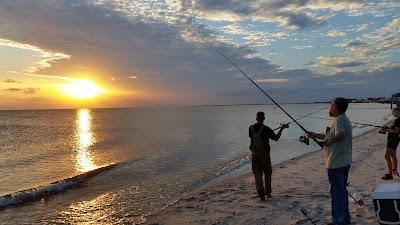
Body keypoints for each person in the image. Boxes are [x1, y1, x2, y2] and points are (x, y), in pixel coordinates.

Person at [307, 97, 352, 225]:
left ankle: (339, 221)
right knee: (341, 192)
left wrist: (332, 141)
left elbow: (340, 134)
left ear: (336, 107)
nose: (329, 107)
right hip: (343, 161)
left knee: (337, 194)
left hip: (336, 163)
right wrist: (314, 134)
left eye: (331, 105)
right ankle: (344, 219)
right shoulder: (342, 119)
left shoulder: (339, 120)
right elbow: (330, 136)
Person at [249, 111, 288, 201]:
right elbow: (276, 138)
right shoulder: (267, 129)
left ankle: (261, 193)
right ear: (264, 119)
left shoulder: (250, 128)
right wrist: (282, 128)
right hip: (265, 156)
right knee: (267, 174)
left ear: (256, 118)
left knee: (257, 176)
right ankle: (268, 193)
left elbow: (253, 138)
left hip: (255, 156)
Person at [380, 107, 400, 180]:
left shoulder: (398, 120)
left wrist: (386, 130)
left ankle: (393, 173)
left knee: (388, 156)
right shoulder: (397, 120)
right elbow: (395, 129)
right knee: (392, 156)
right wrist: (388, 128)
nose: (392, 113)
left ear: (398, 111)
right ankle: (393, 173)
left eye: (393, 111)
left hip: (393, 140)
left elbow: (397, 131)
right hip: (394, 139)